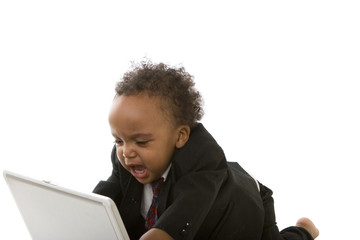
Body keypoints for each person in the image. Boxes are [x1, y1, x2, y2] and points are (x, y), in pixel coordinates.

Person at [93, 60, 319, 240]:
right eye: (118, 141)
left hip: (243, 205)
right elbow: (102, 202)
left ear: (180, 136)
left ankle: (304, 230)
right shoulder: (126, 157)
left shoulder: (203, 158)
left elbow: (178, 221)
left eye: (141, 142)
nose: (127, 152)